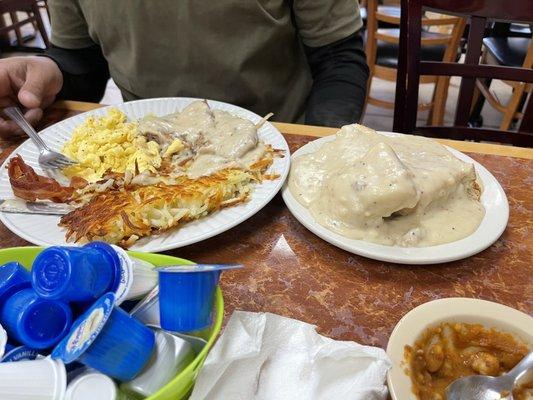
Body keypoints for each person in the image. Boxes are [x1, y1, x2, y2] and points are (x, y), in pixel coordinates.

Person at [0, 0, 368, 137]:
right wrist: (46, 71)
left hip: (274, 138)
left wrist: (317, 144)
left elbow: (338, 58)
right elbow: (83, 61)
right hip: (144, 147)